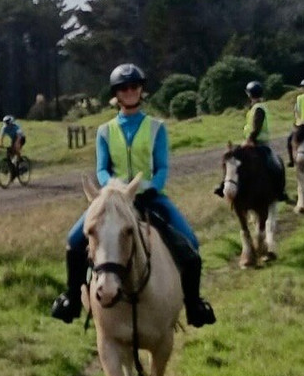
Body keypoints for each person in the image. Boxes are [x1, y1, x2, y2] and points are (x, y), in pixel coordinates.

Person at [50, 63, 215, 328]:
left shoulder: (156, 127)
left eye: (134, 87)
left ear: (141, 91)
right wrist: (114, 190)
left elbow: (161, 167)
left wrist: (149, 187)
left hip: (149, 197)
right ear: (116, 94)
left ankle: (193, 304)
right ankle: (71, 299)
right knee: (73, 240)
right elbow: (102, 169)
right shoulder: (104, 131)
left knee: (190, 242)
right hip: (113, 200)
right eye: (123, 88)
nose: (129, 92)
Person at [213, 80, 288, 201]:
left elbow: (256, 128)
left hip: (259, 143)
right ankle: (224, 185)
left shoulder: (258, 108)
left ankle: (279, 191)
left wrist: (249, 140)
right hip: (252, 142)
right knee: (230, 159)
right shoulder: (254, 108)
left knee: (274, 164)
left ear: (249, 94)